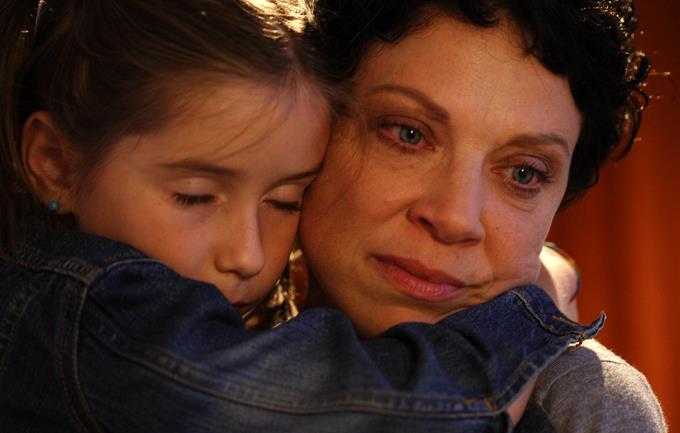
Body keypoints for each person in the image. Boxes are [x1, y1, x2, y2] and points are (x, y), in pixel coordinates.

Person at [0, 1, 599, 431]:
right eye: (408, 133)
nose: (249, 255)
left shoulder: (583, 404)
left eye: (285, 199)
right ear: (54, 163)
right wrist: (533, 311)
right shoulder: (84, 309)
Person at [297, 0, 667, 431]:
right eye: (408, 134)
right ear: (309, 119)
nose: (456, 219)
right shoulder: (229, 316)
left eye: (523, 173)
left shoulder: (582, 408)